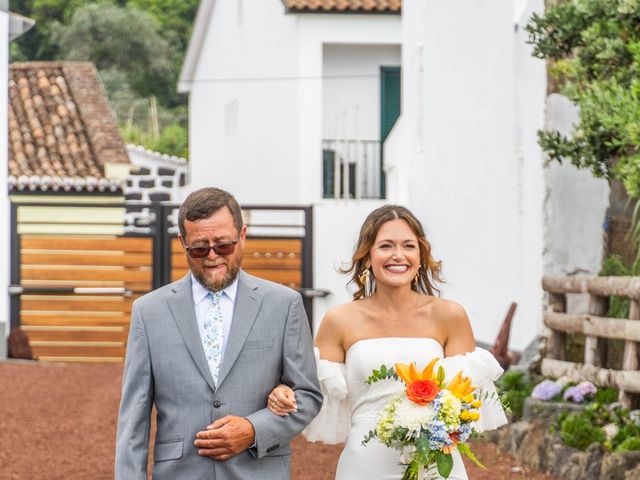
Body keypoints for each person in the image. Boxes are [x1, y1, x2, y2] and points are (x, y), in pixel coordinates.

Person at [267, 205, 507, 479]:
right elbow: (311, 392)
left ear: (420, 256)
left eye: (408, 246)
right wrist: (283, 392)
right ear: (367, 256)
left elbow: (465, 403)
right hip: (364, 463)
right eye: (385, 246)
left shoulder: (449, 315)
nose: (398, 255)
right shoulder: (339, 320)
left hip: (433, 463)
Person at [115, 187, 322, 480]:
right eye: (199, 248)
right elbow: (133, 418)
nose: (212, 256)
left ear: (243, 236)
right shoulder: (148, 312)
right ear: (182, 243)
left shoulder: (284, 304)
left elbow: (308, 396)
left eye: (223, 245)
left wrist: (253, 430)